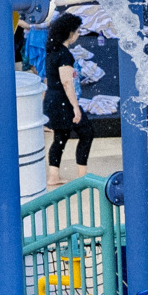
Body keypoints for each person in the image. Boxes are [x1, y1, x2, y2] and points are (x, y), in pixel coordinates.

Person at [43, 11, 110, 179]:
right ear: (70, 33)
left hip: (53, 99)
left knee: (60, 137)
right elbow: (67, 83)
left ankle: (53, 176)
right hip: (63, 101)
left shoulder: (52, 51)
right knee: (86, 132)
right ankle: (82, 175)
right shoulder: (64, 55)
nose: (79, 35)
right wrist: (75, 108)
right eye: (78, 31)